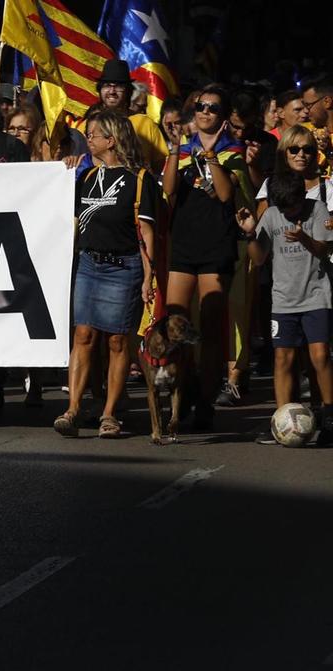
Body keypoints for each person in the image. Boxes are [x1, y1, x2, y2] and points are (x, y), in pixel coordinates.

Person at [52, 110, 160, 439]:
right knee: (83, 335)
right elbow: (68, 220)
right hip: (88, 264)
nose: (88, 140)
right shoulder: (85, 177)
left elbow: (146, 233)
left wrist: (147, 277)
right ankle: (72, 408)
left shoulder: (139, 179)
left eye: (93, 135)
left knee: (116, 340)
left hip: (124, 266)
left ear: (110, 140)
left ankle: (109, 413)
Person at [164, 84, 249, 429]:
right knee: (175, 326)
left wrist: (211, 155)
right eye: (200, 106)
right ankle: (182, 391)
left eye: (213, 108)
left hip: (216, 246)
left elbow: (226, 195)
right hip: (183, 245)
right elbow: (169, 190)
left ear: (223, 116)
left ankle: (205, 398)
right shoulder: (182, 152)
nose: (205, 112)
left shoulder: (234, 152)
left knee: (212, 330)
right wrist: (173, 150)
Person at [241, 168, 332, 438]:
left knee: (320, 355)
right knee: (283, 358)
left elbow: (323, 251)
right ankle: (282, 419)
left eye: (293, 207)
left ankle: (328, 415)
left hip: (316, 294)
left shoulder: (317, 210)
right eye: (284, 208)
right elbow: (258, 258)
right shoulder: (270, 215)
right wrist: (248, 235)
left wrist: (303, 237)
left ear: (302, 196)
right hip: (283, 300)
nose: (289, 213)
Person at [90, 59, 170, 171]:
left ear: (128, 91)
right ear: (100, 89)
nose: (112, 91)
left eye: (118, 86)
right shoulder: (88, 124)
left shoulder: (146, 123)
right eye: (107, 85)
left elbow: (160, 165)